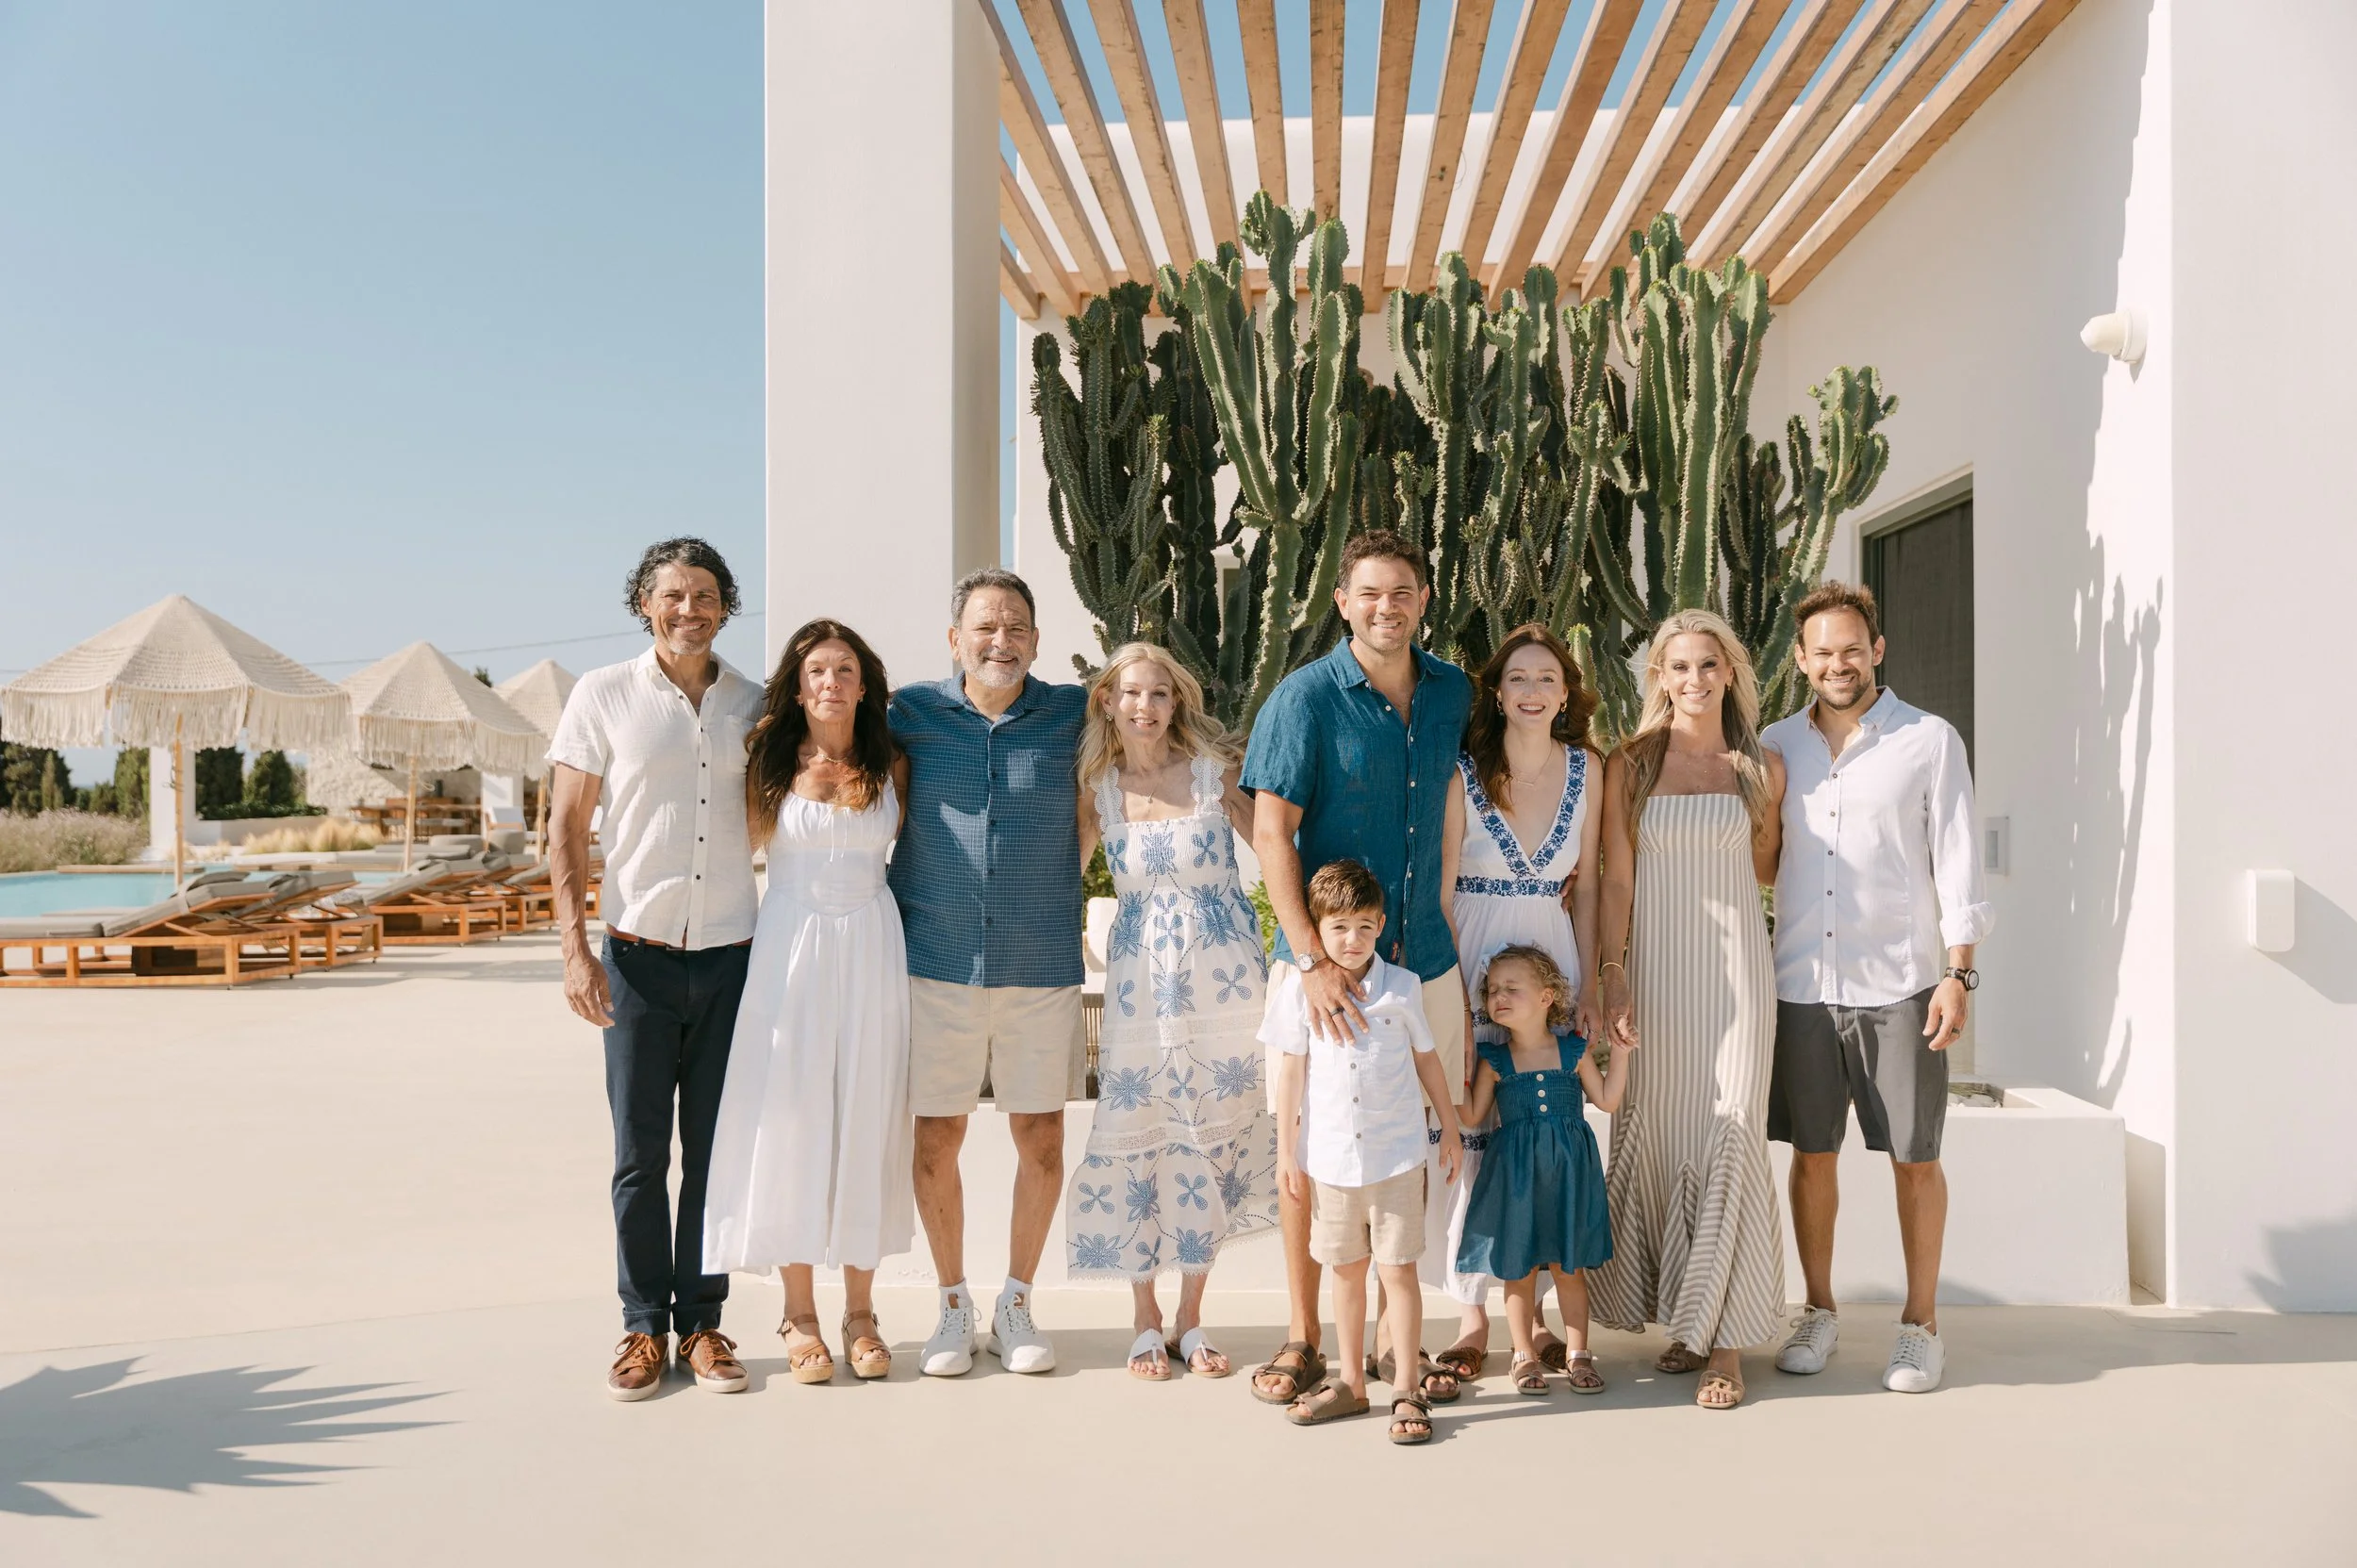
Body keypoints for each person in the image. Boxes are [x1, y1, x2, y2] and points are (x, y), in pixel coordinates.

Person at [1242, 530, 1475, 1412]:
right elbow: (1270, 832)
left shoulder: (1451, 689)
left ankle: (1389, 1343)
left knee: (1405, 1147)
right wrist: (1309, 960)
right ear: (1343, 600)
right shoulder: (1303, 698)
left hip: (1424, 960)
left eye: (1404, 591)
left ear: (1423, 598)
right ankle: (1305, 1336)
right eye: (1371, 592)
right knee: (1313, 1150)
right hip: (1325, 972)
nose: (1389, 606)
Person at [1761, 581, 1993, 1395]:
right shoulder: (1774, 744)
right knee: (1811, 1156)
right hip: (1800, 983)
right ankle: (1818, 1310)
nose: (1838, 663)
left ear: (1878, 649)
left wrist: (1958, 973)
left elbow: (1959, 857)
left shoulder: (1928, 740)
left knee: (1914, 1157)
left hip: (1900, 981)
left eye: (1851, 648)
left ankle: (1920, 1326)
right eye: (1821, 651)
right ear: (1800, 659)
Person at [550, 537, 765, 1401]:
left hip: (732, 961)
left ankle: (703, 1322)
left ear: (725, 605)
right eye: (672, 594)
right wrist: (573, 949)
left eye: (705, 594)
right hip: (636, 959)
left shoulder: (754, 703)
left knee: (713, 1154)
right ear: (645, 602)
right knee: (639, 1156)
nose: (690, 609)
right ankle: (642, 1327)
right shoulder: (601, 695)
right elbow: (565, 826)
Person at [887, 569, 1089, 1378]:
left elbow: (1151, 751)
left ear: (1036, 641)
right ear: (955, 640)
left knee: (1039, 1136)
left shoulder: (1076, 713)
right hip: (933, 960)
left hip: (1040, 960)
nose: (999, 640)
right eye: (984, 627)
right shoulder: (910, 714)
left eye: (1015, 627)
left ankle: (1016, 1303)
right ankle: (949, 1305)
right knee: (938, 1135)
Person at [700, 619, 913, 1385]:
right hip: (788, 947)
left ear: (864, 682)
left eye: (845, 669)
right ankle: (800, 1312)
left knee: (863, 1113)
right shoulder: (764, 761)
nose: (831, 682)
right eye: (817, 670)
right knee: (790, 1116)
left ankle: (861, 1310)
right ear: (798, 684)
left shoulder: (891, 761)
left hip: (871, 948)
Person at [1588, 609, 1788, 1411]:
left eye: (1710, 665)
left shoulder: (1762, 766)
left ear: (1730, 672)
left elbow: (1767, 871)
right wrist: (1613, 975)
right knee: (1668, 1132)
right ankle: (1686, 1318)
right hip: (1660, 976)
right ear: (1659, 678)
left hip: (1741, 978)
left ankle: (1728, 1343)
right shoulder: (1630, 763)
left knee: (1733, 1130)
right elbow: (1616, 881)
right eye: (1680, 667)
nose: (1695, 680)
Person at [1063, 643, 1278, 1380]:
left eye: (1159, 694)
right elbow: (1062, 875)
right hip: (1137, 988)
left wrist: (1305, 947)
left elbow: (1276, 850)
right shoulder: (1098, 786)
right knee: (1139, 1132)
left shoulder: (1215, 775)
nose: (1145, 707)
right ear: (1108, 702)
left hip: (1224, 982)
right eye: (1131, 694)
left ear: (1176, 701)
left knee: (1210, 1135)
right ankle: (1143, 1317)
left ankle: (1190, 1318)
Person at [1432, 623, 1606, 1386]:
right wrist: (1442, 988)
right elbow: (1440, 887)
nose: (1533, 691)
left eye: (1547, 678)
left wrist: (1595, 979)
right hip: (1475, 952)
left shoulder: (1590, 770)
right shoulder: (1463, 772)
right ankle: (1476, 1316)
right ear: (1497, 693)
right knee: (1475, 1128)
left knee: (1537, 1129)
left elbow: (1593, 881)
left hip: (1550, 958)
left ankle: (1534, 1317)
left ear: (1565, 693)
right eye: (1518, 678)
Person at [1263, 861, 1463, 1445]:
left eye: (1363, 928)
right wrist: (1286, 1154)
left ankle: (1406, 1387)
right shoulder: (1304, 996)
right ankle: (1350, 1382)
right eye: (1338, 929)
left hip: (1397, 1157)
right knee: (1345, 1273)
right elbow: (1292, 1073)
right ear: (1318, 933)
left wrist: (1448, 1127)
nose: (1351, 941)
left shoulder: (1402, 987)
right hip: (1329, 1163)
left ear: (1380, 926)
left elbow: (1427, 1059)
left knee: (1398, 1273)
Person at [1455, 946, 1626, 1396]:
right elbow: (1472, 1116)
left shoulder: (1572, 1050)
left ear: (1548, 996)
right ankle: (1523, 1353)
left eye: (1513, 987)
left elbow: (1607, 1100)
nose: (1499, 996)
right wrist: (1453, 1066)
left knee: (1569, 1270)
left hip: (1569, 1178)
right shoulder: (1495, 1059)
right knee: (1520, 1270)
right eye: (1492, 990)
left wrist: (1623, 1051)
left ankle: (1578, 1353)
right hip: (1516, 1181)